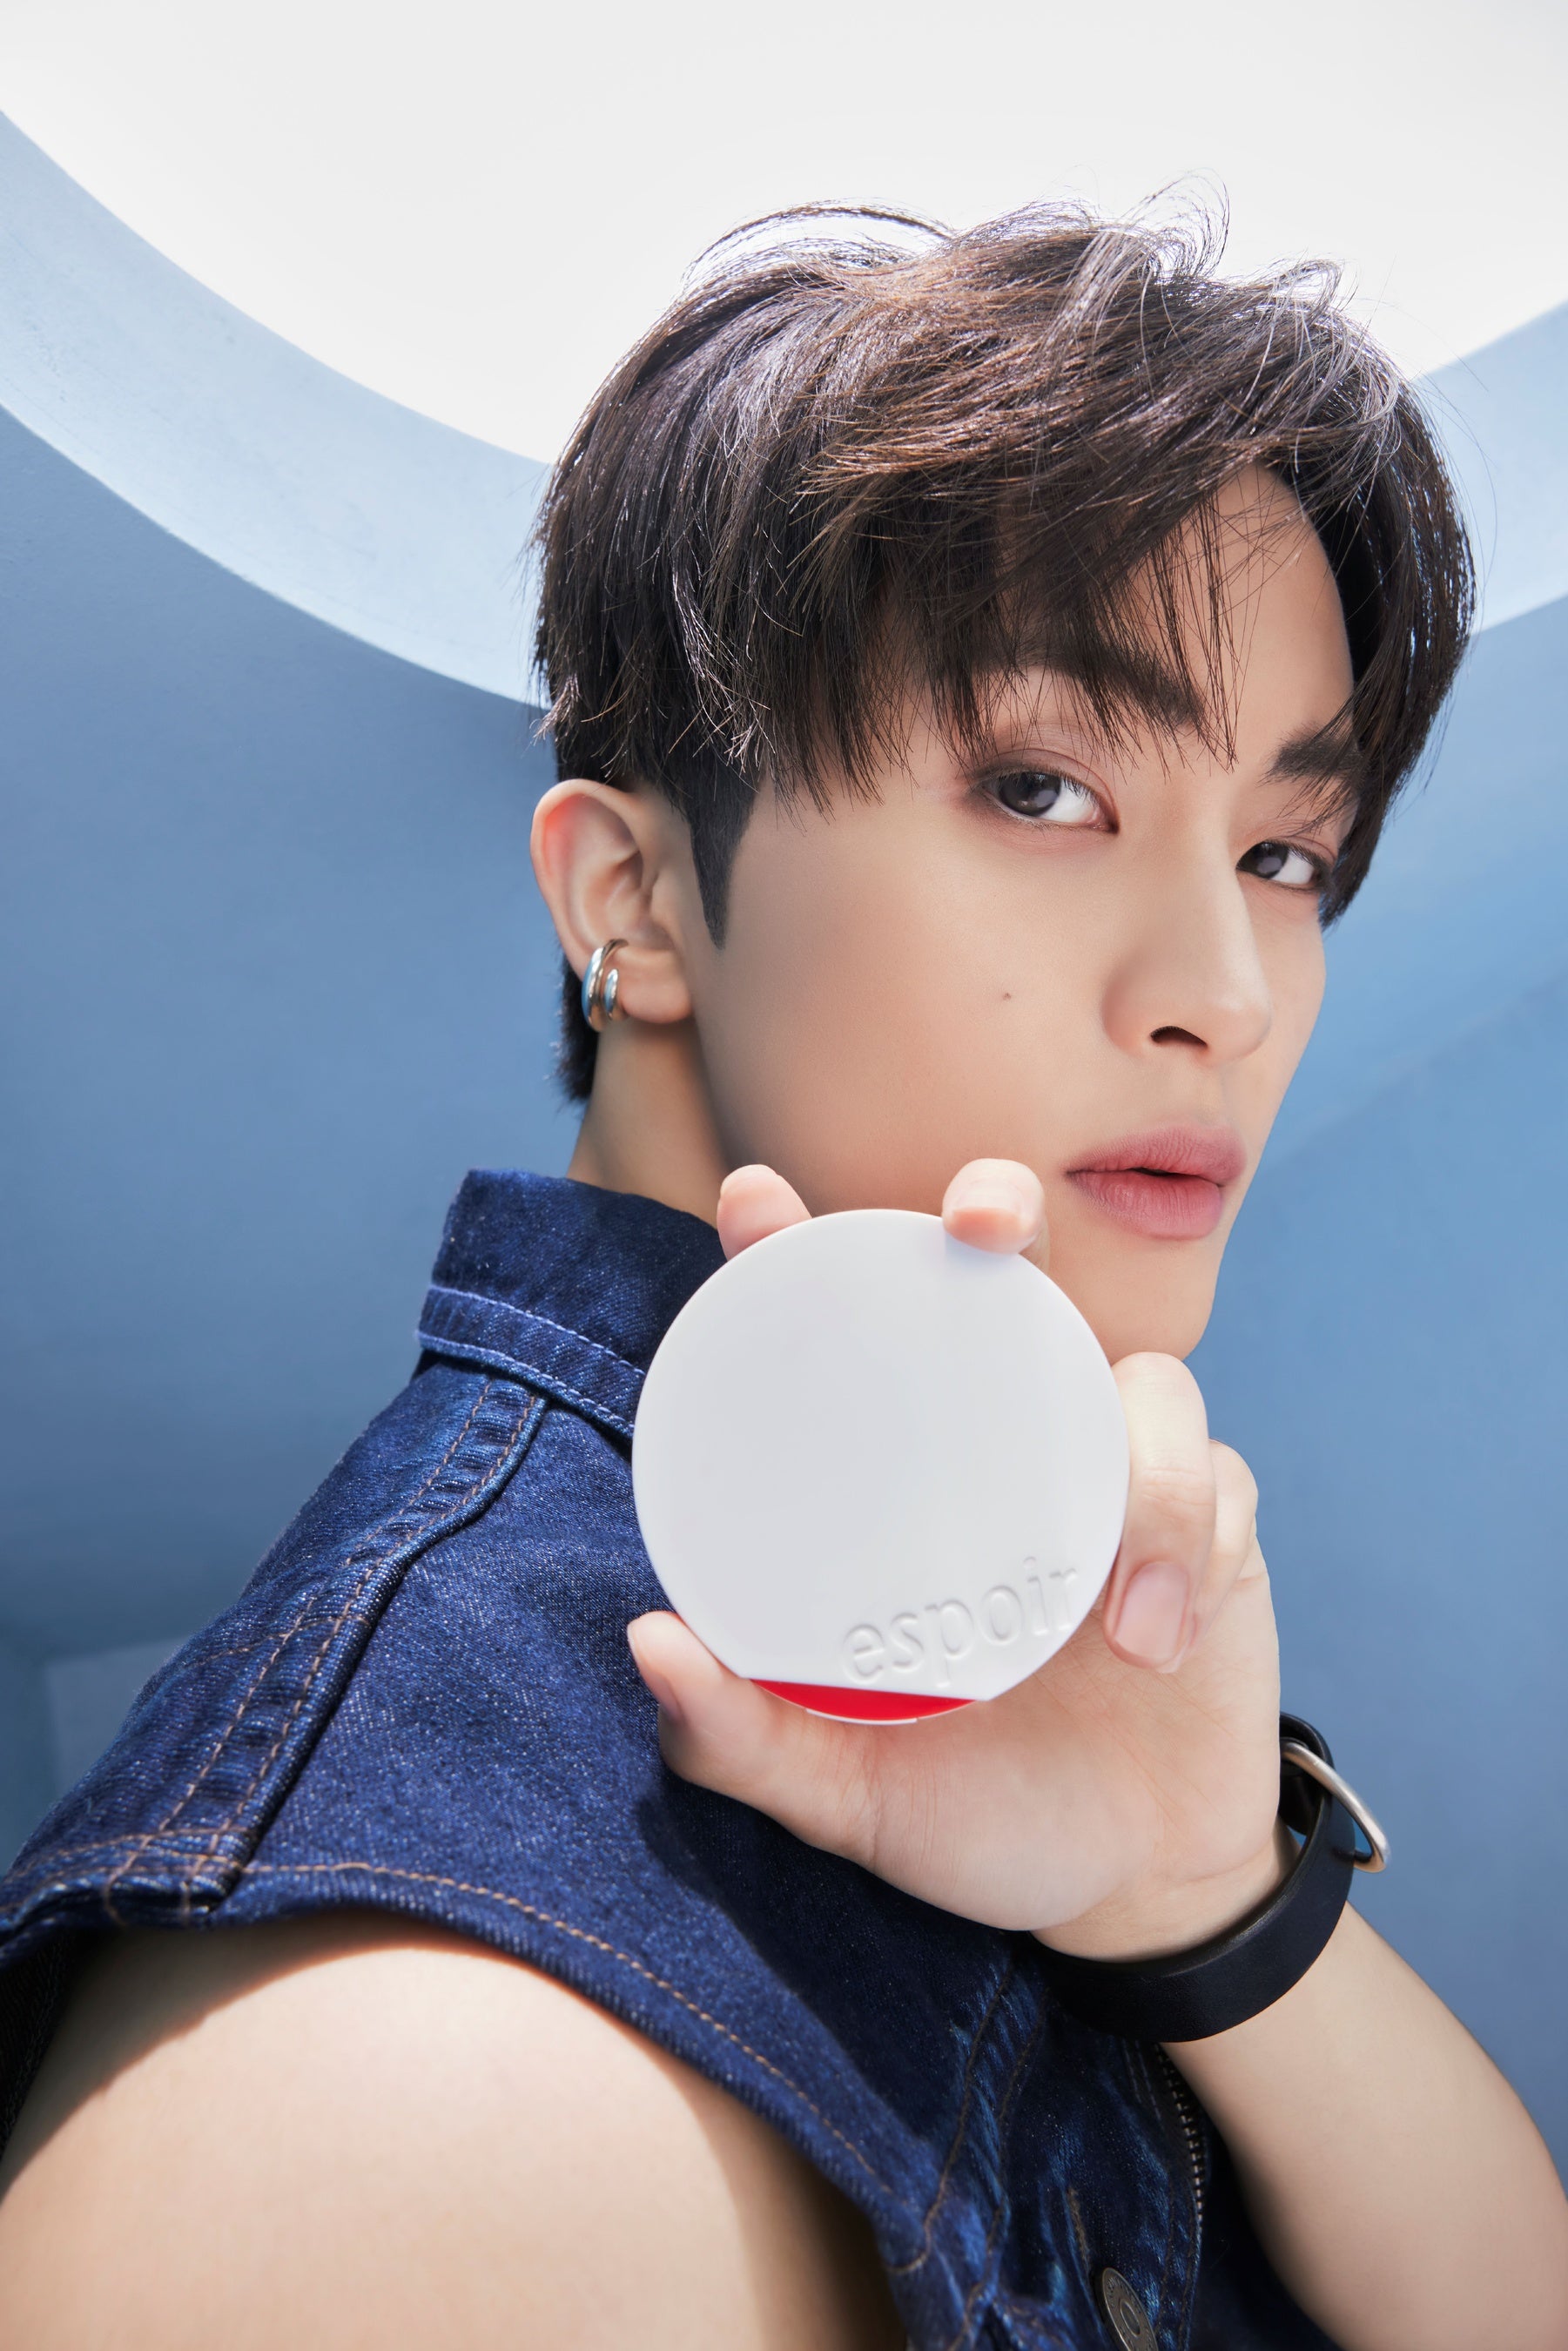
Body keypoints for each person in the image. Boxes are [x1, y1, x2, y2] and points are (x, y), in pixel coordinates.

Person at [0, 204, 1564, 2351]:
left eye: (1283, 853)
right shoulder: (402, 2094)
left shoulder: (984, 1566)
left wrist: (1204, 1906)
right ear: (633, 902)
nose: (1227, 989)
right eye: (1042, 786)